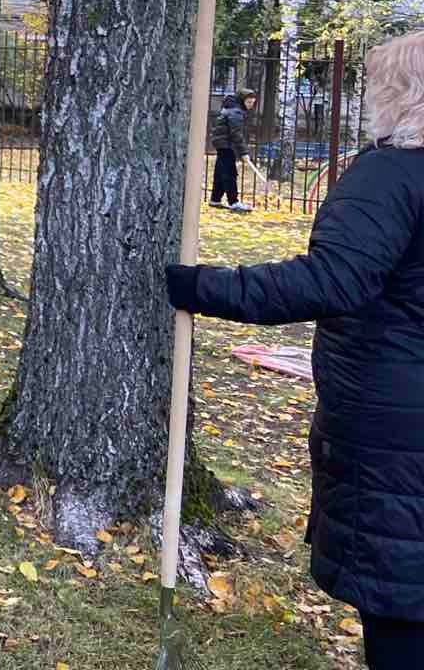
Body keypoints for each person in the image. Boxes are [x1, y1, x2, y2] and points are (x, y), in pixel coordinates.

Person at [166, 32, 424, 670]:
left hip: (397, 430)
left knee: (401, 603)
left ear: (400, 90)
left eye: (374, 83)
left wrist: (206, 288)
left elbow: (333, 279)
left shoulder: (392, 173)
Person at [209, 89, 257, 212]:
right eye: (249, 102)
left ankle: (215, 199)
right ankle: (234, 202)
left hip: (222, 143)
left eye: (253, 103)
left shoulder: (232, 108)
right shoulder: (235, 112)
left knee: (220, 173)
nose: (251, 105)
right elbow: (236, 134)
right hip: (226, 145)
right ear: (242, 100)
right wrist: (244, 153)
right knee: (230, 173)